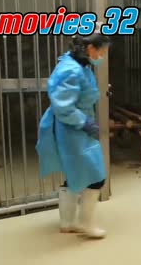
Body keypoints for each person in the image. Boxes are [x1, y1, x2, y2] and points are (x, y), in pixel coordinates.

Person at [36, 32, 111, 239]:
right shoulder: (70, 70)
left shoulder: (78, 64)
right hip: (72, 129)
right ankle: (85, 224)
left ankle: (67, 223)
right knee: (96, 177)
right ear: (90, 48)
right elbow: (64, 108)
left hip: (73, 128)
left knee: (73, 174)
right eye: (102, 50)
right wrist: (85, 123)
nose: (103, 54)